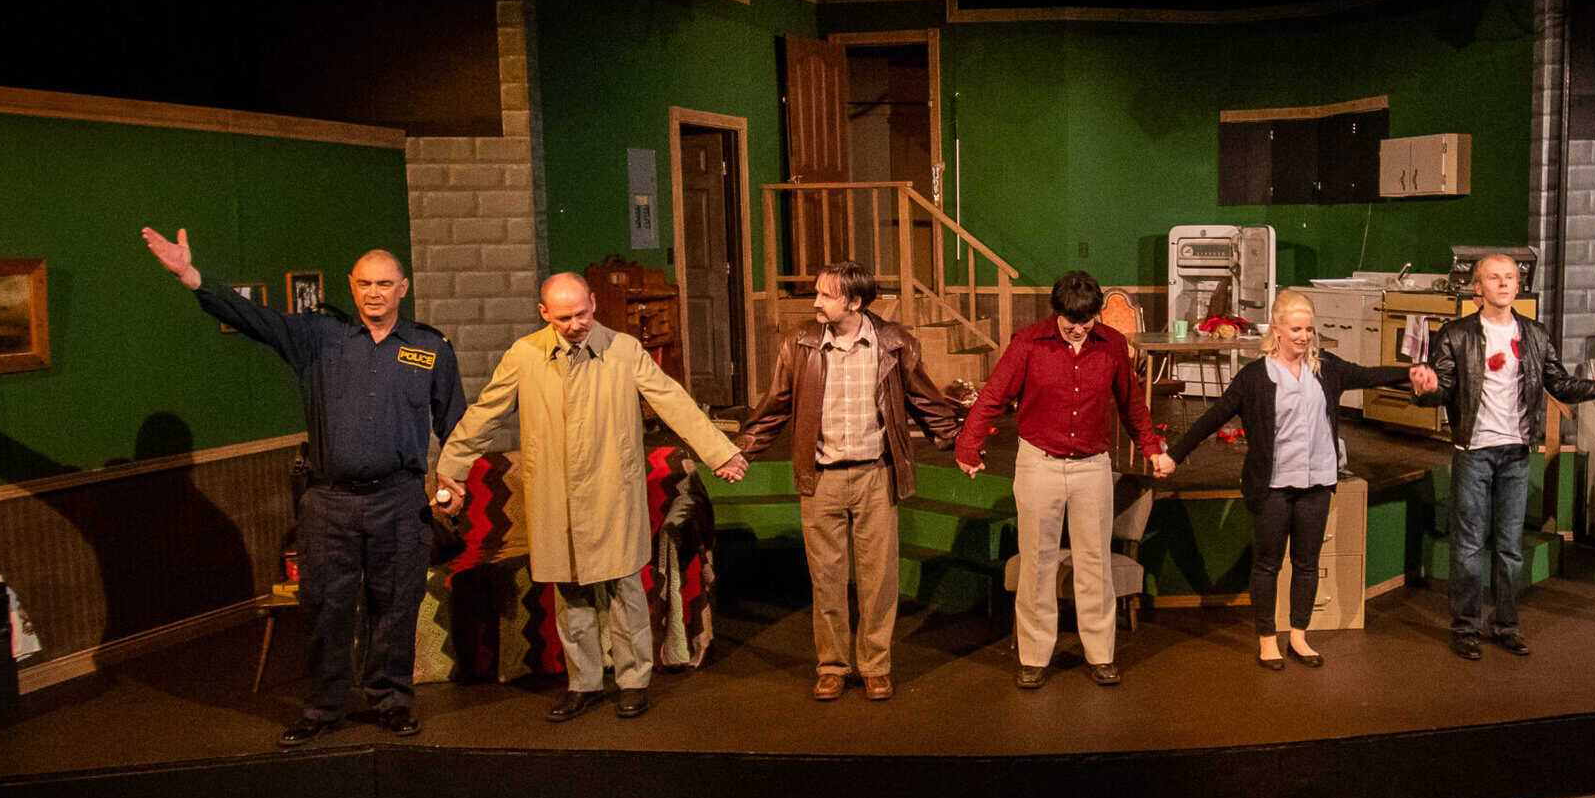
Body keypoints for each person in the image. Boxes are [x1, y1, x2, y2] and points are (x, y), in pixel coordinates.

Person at [140, 228, 462, 744]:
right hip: (329, 502)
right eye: (364, 284)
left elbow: (456, 425)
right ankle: (324, 707)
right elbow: (253, 318)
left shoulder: (429, 348)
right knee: (326, 608)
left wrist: (455, 475)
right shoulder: (318, 337)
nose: (374, 293)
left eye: (384, 284)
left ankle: (393, 701)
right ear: (351, 286)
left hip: (400, 501)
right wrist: (193, 277)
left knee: (395, 607)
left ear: (403, 288)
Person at [435, 272, 748, 721]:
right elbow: (486, 413)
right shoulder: (525, 355)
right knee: (571, 593)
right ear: (544, 313)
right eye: (563, 317)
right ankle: (583, 683)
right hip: (555, 496)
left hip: (610, 493)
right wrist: (453, 468)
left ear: (595, 304)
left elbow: (672, 400)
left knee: (624, 589)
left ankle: (633, 681)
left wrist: (719, 452)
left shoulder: (623, 350)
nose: (574, 325)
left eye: (581, 314)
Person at [735, 261, 967, 702]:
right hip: (821, 477)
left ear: (855, 301)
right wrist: (741, 450)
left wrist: (961, 444)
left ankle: (875, 666)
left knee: (879, 579)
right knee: (826, 579)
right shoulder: (800, 344)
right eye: (817, 293)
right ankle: (832, 666)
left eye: (827, 295)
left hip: (875, 476)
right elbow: (775, 406)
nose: (816, 302)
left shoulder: (894, 343)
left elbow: (925, 400)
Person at [1164, 289, 1416, 670]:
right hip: (1274, 486)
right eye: (1296, 329)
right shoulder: (1255, 377)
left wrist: (1410, 373)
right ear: (1277, 329)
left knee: (1306, 562)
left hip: (1317, 481)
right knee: (1268, 563)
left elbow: (1367, 375)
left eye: (1309, 330)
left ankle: (1299, 635)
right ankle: (1268, 639)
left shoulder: (1325, 368)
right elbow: (1212, 419)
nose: (1304, 336)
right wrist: (1174, 455)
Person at [955, 270, 1175, 689]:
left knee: (1095, 562)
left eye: (1086, 321)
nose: (1078, 329)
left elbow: (1131, 404)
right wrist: (968, 444)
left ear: (1096, 314)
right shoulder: (1028, 343)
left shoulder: (1112, 345)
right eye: (1071, 321)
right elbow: (993, 395)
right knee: (1037, 562)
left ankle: (1101, 655)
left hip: (1092, 466)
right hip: (1039, 463)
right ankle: (1034, 657)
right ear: (1056, 312)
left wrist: (1151, 448)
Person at [1411, 254, 1595, 659]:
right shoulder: (1456, 334)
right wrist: (1428, 388)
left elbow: (1559, 383)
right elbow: (1442, 389)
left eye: (1510, 277)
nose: (1504, 283)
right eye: (1494, 277)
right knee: (1469, 545)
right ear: (1478, 288)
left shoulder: (1534, 334)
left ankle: (1506, 624)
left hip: (1517, 452)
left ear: (1518, 287)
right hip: (1474, 451)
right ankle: (1466, 626)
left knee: (1509, 546)